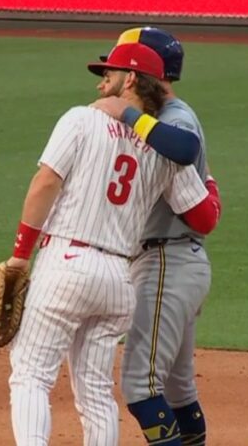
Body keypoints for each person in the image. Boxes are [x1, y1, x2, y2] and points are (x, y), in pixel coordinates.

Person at [4, 38, 223, 446]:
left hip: (67, 266)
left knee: (31, 374)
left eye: (109, 74)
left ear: (131, 80)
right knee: (96, 390)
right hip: (118, 280)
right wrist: (207, 177)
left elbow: (45, 182)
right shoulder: (162, 149)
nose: (101, 83)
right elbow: (204, 216)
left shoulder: (81, 119)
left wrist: (20, 254)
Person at [91, 27, 212, 446]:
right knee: (178, 387)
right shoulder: (161, 115)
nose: (109, 77)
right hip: (177, 261)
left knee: (140, 385)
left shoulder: (175, 116)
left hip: (167, 261)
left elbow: (184, 148)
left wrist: (127, 115)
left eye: (118, 67)